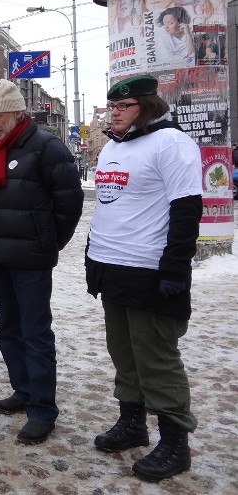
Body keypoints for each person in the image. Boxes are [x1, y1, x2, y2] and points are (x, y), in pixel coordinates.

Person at [86, 75, 202, 482]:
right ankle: (132, 422)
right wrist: (92, 257)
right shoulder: (114, 149)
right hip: (111, 268)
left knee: (156, 358)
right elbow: (108, 207)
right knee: (124, 352)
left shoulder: (171, 144)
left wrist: (175, 268)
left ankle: (174, 442)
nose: (113, 112)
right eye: (112, 106)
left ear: (147, 107)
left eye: (123, 106)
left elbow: (187, 211)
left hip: (149, 271)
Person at [0, 79, 83, 444]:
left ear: (18, 113)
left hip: (31, 260)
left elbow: (69, 203)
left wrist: (48, 242)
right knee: (9, 328)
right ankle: (22, 390)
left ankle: (42, 409)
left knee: (36, 333)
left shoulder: (47, 147)